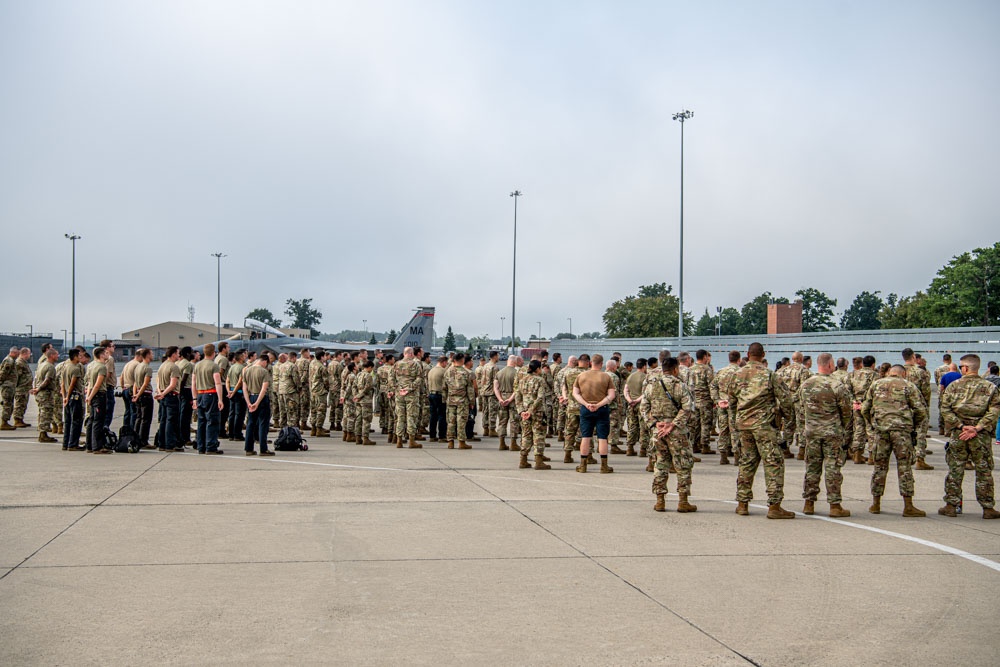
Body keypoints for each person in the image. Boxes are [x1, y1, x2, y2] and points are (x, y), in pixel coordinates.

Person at [730, 342, 795, 519]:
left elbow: (731, 400)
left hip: (744, 425)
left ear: (748, 354)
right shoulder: (769, 375)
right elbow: (786, 399)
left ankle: (742, 504)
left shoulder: (737, 375)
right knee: (773, 463)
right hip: (764, 426)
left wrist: (736, 420)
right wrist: (788, 419)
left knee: (747, 462)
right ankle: (774, 506)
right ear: (763, 354)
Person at [861, 365, 928, 517]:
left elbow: (865, 408)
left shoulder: (876, 385)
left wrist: (873, 423)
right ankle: (908, 505)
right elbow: (920, 410)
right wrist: (912, 425)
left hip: (881, 431)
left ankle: (876, 503)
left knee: (880, 467)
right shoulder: (909, 386)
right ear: (903, 373)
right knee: (904, 468)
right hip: (902, 431)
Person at [938, 355, 1000, 519]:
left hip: (959, 434)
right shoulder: (989, 387)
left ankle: (951, 505)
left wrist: (960, 425)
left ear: (965, 368)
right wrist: (977, 427)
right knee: (984, 471)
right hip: (980, 435)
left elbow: (945, 409)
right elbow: (994, 411)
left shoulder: (953, 386)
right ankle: (987, 508)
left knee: (955, 469)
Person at [797, 353, 853, 517]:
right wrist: (841, 426)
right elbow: (846, 411)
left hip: (812, 432)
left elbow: (800, 409)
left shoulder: (807, 385)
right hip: (831, 432)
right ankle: (835, 505)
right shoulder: (837, 385)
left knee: (812, 467)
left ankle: (809, 503)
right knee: (832, 468)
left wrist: (806, 426)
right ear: (830, 365)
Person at [642, 357, 697, 512]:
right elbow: (687, 408)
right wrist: (673, 424)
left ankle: (660, 500)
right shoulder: (679, 385)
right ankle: (683, 501)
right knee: (683, 465)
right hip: (676, 432)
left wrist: (653, 423)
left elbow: (643, 408)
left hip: (657, 431)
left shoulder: (652, 386)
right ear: (675, 369)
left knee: (660, 464)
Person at [572, 353, 616, 474]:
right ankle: (604, 466)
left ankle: (583, 465)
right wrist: (599, 404)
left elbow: (575, 393)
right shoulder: (606, 377)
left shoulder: (581, 376)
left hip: (586, 409)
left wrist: (586, 404)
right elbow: (611, 395)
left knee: (585, 436)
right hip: (602, 409)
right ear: (601, 364)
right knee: (602, 437)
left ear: (591, 363)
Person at [901, 347, 933, 470]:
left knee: (905, 432)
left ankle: (907, 456)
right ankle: (920, 459)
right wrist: (925, 406)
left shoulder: (899, 370)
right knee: (920, 432)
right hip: (918, 405)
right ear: (913, 357)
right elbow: (926, 391)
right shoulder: (920, 372)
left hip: (903, 406)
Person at [516, 360, 550, 470]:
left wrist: (522, 411)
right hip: (538, 412)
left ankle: (523, 459)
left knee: (526, 435)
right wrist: (531, 411)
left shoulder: (522, 380)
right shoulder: (540, 380)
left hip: (525, 412)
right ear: (537, 369)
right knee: (538, 435)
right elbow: (540, 398)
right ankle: (539, 461)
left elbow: (518, 397)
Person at [192, 343, 225, 455]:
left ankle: (201, 446)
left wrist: (195, 398)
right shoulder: (214, 365)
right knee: (212, 421)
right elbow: (218, 382)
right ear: (213, 352)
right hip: (211, 394)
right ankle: (211, 446)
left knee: (201, 421)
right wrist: (220, 399)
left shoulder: (197, 365)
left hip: (200, 394)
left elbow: (194, 382)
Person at [711, 351, 741, 466]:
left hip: (722, 404)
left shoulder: (721, 372)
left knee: (723, 429)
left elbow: (713, 386)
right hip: (735, 405)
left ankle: (723, 456)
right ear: (738, 360)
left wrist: (717, 400)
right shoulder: (740, 372)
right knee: (735, 430)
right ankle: (737, 456)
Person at [847, 355, 879, 465]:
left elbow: (847, 390)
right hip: (869, 406)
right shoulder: (875, 375)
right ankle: (871, 456)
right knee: (871, 430)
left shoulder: (853, 374)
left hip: (856, 405)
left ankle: (857, 455)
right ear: (873, 364)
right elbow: (876, 391)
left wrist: (854, 401)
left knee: (858, 429)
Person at [243, 353, 274, 456]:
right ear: (264, 361)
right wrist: (257, 402)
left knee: (250, 423)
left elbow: (244, 388)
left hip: (250, 396)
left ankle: (248, 448)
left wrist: (249, 402)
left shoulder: (247, 370)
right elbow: (264, 389)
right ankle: (263, 448)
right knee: (263, 424)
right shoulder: (264, 372)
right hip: (261, 398)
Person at [392, 347, 422, 448]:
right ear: (410, 354)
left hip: (399, 394)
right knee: (411, 416)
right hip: (411, 394)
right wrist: (408, 388)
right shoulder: (415, 364)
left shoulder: (396, 364)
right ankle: (411, 441)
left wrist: (397, 388)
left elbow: (391, 378)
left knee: (400, 417)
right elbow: (419, 379)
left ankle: (399, 440)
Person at [443, 353, 475, 449]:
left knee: (451, 421)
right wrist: (472, 402)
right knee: (461, 422)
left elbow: (444, 387)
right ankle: (461, 442)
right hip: (462, 401)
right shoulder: (466, 373)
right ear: (462, 360)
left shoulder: (447, 372)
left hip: (451, 400)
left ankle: (450, 442)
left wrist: (444, 399)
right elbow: (470, 389)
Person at [154, 346, 183, 452]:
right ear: (173, 354)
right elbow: (172, 384)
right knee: (171, 420)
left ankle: (162, 443)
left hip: (163, 394)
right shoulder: (174, 367)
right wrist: (164, 393)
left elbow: (157, 381)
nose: (179, 355)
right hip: (171, 395)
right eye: (178, 353)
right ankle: (170, 444)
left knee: (163, 420)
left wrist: (160, 392)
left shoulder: (162, 365)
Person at [84, 346, 110, 454]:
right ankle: (97, 446)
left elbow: (89, 383)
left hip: (92, 394)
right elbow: (97, 385)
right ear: (101, 355)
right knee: (98, 421)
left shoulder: (91, 365)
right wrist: (91, 396)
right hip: (99, 395)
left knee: (91, 419)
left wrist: (88, 396)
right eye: (105, 353)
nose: (107, 355)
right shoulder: (102, 367)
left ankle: (89, 444)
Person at [31, 347, 60, 443]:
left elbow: (36, 378)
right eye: (56, 354)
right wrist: (39, 388)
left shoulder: (42, 365)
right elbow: (47, 380)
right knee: (46, 413)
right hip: (46, 393)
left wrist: (36, 388)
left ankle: (42, 433)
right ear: (51, 356)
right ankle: (43, 434)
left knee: (42, 412)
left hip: (40, 393)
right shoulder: (50, 367)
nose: (58, 356)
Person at [60, 348, 86, 450]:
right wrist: (68, 395)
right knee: (76, 421)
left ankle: (66, 443)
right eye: (79, 356)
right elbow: (72, 384)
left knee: (67, 421)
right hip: (74, 396)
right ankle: (73, 444)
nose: (80, 358)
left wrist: (64, 397)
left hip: (67, 396)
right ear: (75, 356)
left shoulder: (65, 367)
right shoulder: (75, 368)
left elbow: (62, 383)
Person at [494, 355, 520, 451]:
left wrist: (500, 399)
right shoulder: (517, 373)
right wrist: (510, 399)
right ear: (515, 362)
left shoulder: (499, 373)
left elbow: (496, 388)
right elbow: (517, 389)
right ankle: (513, 443)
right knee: (514, 421)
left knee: (502, 422)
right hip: (512, 399)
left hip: (502, 398)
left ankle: (502, 443)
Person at [623, 357, 647, 457]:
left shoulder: (630, 376)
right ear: (644, 366)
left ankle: (630, 448)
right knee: (643, 428)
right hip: (642, 405)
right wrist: (637, 400)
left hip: (631, 405)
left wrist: (630, 400)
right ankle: (643, 449)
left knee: (632, 426)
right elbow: (646, 392)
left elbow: (626, 390)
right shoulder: (646, 377)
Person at [131, 348, 154, 448]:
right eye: (151, 353)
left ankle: (136, 438)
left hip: (138, 394)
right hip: (145, 394)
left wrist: (135, 394)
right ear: (148, 355)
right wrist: (139, 394)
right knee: (146, 419)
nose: (152, 355)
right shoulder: (147, 368)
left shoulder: (138, 366)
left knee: (139, 418)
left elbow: (135, 382)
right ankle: (143, 440)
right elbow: (145, 384)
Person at [353, 360, 376, 445]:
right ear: (369, 367)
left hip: (358, 401)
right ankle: (365, 438)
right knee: (366, 419)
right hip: (366, 401)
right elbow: (367, 388)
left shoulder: (359, 374)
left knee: (358, 419)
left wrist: (356, 396)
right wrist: (360, 396)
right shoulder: (368, 376)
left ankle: (358, 438)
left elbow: (354, 386)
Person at [226, 349, 247, 441]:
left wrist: (229, 391)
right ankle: (237, 434)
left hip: (231, 390)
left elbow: (227, 380)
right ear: (241, 358)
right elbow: (240, 382)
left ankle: (231, 433)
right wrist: (234, 392)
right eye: (244, 355)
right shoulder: (242, 368)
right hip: (238, 392)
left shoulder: (232, 367)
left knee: (232, 413)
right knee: (239, 414)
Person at [119, 349, 141, 431]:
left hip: (125, 389)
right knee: (134, 412)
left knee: (127, 411)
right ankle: (132, 431)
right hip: (132, 389)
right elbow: (137, 380)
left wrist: (123, 387)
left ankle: (125, 430)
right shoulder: (137, 365)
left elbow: (121, 377)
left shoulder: (128, 364)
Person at [427, 355, 447, 442]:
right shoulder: (443, 371)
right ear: (443, 362)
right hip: (439, 394)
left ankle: (432, 435)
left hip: (431, 394)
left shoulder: (431, 370)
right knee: (442, 416)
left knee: (433, 416)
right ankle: (442, 436)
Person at [13, 348, 33, 428]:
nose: (29, 355)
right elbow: (17, 376)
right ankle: (17, 420)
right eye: (29, 353)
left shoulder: (23, 362)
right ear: (24, 353)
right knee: (19, 404)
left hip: (25, 388)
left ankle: (20, 419)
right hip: (21, 388)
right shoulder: (19, 363)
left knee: (23, 404)